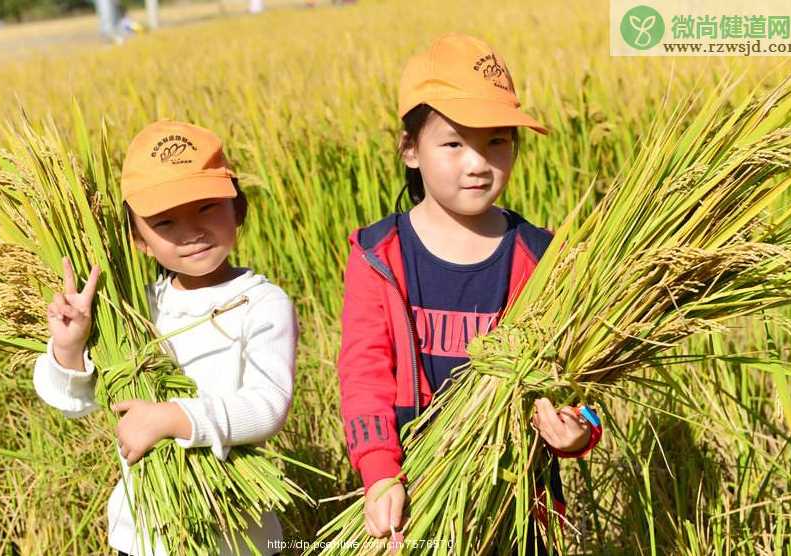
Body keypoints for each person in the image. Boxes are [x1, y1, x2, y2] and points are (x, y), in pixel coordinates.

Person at [336, 33, 604, 553]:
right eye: (455, 143)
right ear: (410, 149)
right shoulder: (378, 256)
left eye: (496, 142)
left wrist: (579, 431)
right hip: (414, 488)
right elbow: (363, 373)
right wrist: (380, 474)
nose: (477, 163)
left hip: (518, 498)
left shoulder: (541, 256)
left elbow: (581, 379)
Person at [33, 120, 296, 556]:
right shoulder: (134, 308)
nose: (191, 231)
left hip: (235, 536)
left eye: (207, 207)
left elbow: (268, 406)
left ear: (239, 208)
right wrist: (69, 347)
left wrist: (173, 418)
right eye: (166, 221)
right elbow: (73, 404)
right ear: (139, 240)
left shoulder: (262, 303)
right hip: (144, 537)